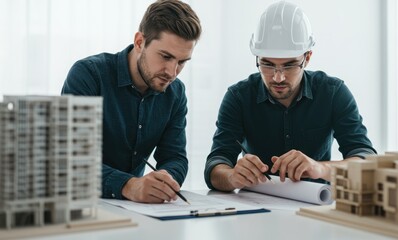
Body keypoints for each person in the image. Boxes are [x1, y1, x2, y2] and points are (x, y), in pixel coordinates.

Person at [204, 1, 376, 191]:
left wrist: (320, 168)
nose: (278, 77)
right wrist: (231, 177)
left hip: (316, 205)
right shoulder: (238, 97)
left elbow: (366, 161)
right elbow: (216, 164)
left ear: (307, 58)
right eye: (267, 64)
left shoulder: (333, 93)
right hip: (256, 207)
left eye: (289, 65)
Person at [61, 0, 202, 203]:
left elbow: (175, 157)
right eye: (165, 56)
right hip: (78, 205)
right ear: (139, 42)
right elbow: (71, 160)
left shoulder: (175, 92)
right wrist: (128, 185)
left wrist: (165, 181)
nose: (172, 73)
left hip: (137, 212)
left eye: (182, 62)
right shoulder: (89, 75)